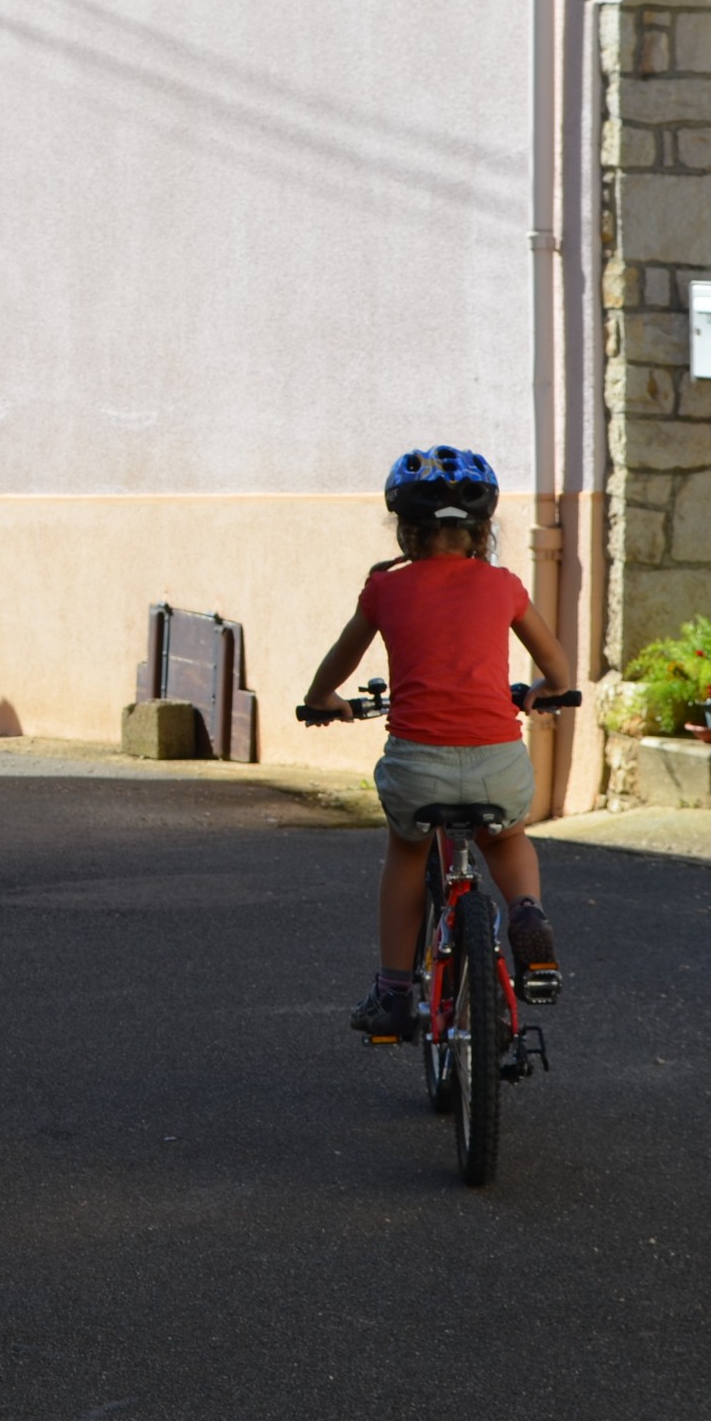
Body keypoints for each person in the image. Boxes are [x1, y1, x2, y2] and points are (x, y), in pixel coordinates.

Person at [300, 446, 572, 1043]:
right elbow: (557, 666)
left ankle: (395, 992)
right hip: (497, 760)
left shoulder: (384, 589)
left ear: (407, 533)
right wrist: (547, 690)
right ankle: (528, 915)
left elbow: (343, 657)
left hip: (418, 765)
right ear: (481, 534)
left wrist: (323, 698)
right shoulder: (503, 586)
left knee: (406, 849)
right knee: (507, 837)